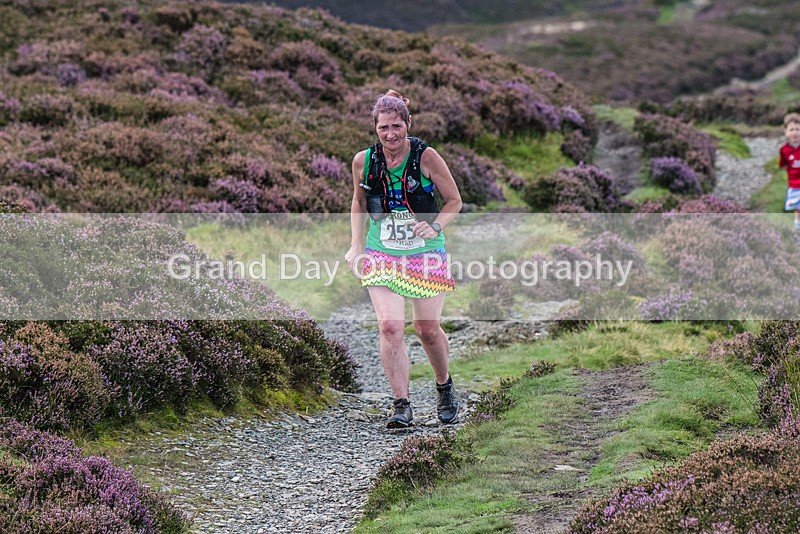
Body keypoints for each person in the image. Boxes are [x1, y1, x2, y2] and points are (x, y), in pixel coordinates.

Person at [345, 89, 462, 429]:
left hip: (425, 251)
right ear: (375, 128)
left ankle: (444, 386)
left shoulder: (427, 157)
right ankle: (402, 405)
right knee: (391, 326)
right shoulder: (363, 161)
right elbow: (358, 203)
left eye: (397, 126)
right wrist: (356, 246)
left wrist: (435, 225)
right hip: (382, 249)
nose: (391, 134)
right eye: (383, 128)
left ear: (408, 124)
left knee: (427, 329)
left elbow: (454, 200)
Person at [780, 112, 800, 230]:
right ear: (786, 131)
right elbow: (782, 165)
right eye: (791, 129)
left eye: (798, 129)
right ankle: (797, 226)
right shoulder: (784, 150)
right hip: (794, 185)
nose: (795, 132)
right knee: (797, 208)